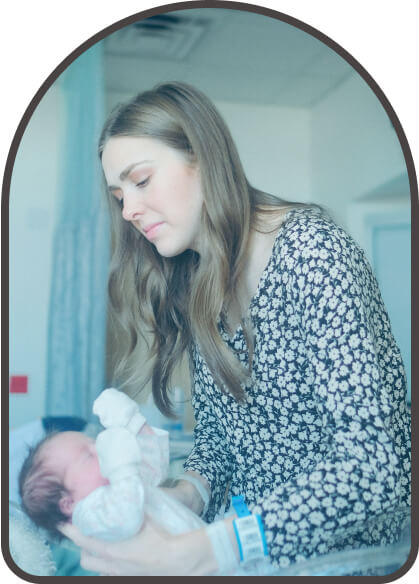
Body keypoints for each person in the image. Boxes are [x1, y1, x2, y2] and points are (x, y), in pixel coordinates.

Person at [60, 81, 411, 576]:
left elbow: (378, 468)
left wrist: (212, 547)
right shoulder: (200, 284)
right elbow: (221, 445)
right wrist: (182, 498)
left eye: (140, 181)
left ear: (203, 158)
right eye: (119, 195)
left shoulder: (312, 253)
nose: (128, 211)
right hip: (253, 558)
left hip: (342, 562)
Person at [19, 389, 172, 541]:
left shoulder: (123, 486)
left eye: (94, 442)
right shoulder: (88, 516)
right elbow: (128, 517)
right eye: (88, 455)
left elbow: (155, 470)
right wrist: (122, 468)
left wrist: (133, 422)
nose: (98, 447)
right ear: (68, 503)